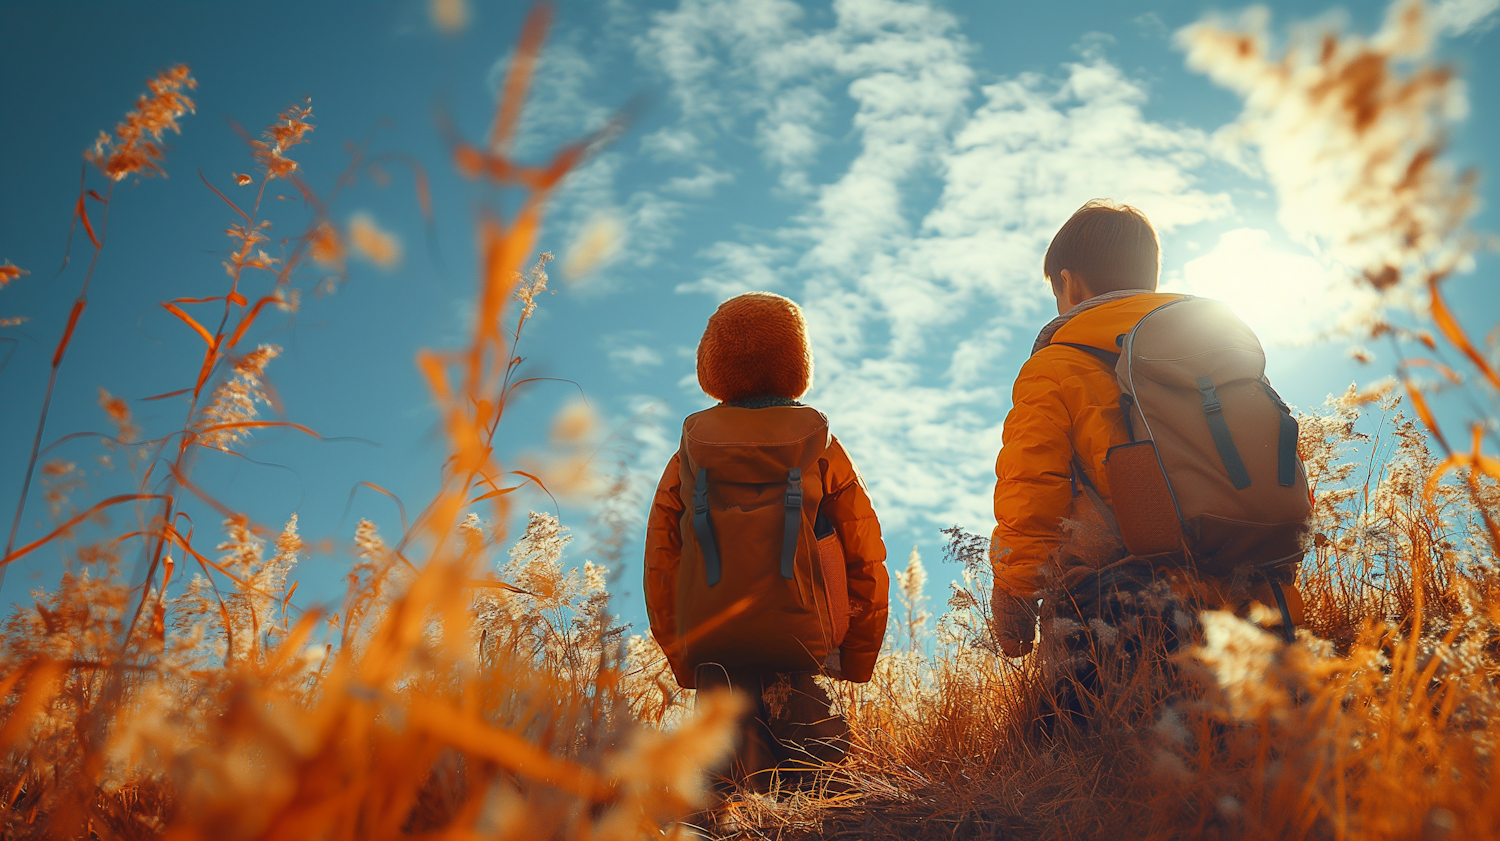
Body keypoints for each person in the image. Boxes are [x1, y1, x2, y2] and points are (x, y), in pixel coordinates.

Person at [989, 199, 1306, 727]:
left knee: (1074, 757)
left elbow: (1031, 485)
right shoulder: (1217, 354)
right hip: (1253, 596)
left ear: (1070, 285)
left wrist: (1017, 592)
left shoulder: (1057, 364)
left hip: (1116, 604)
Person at [644, 292, 889, 793]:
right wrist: (857, 655)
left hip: (714, 644)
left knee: (722, 784)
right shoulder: (819, 443)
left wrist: (683, 656)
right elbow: (864, 549)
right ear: (797, 362)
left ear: (712, 365)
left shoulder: (690, 450)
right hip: (804, 641)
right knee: (816, 782)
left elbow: (662, 560)